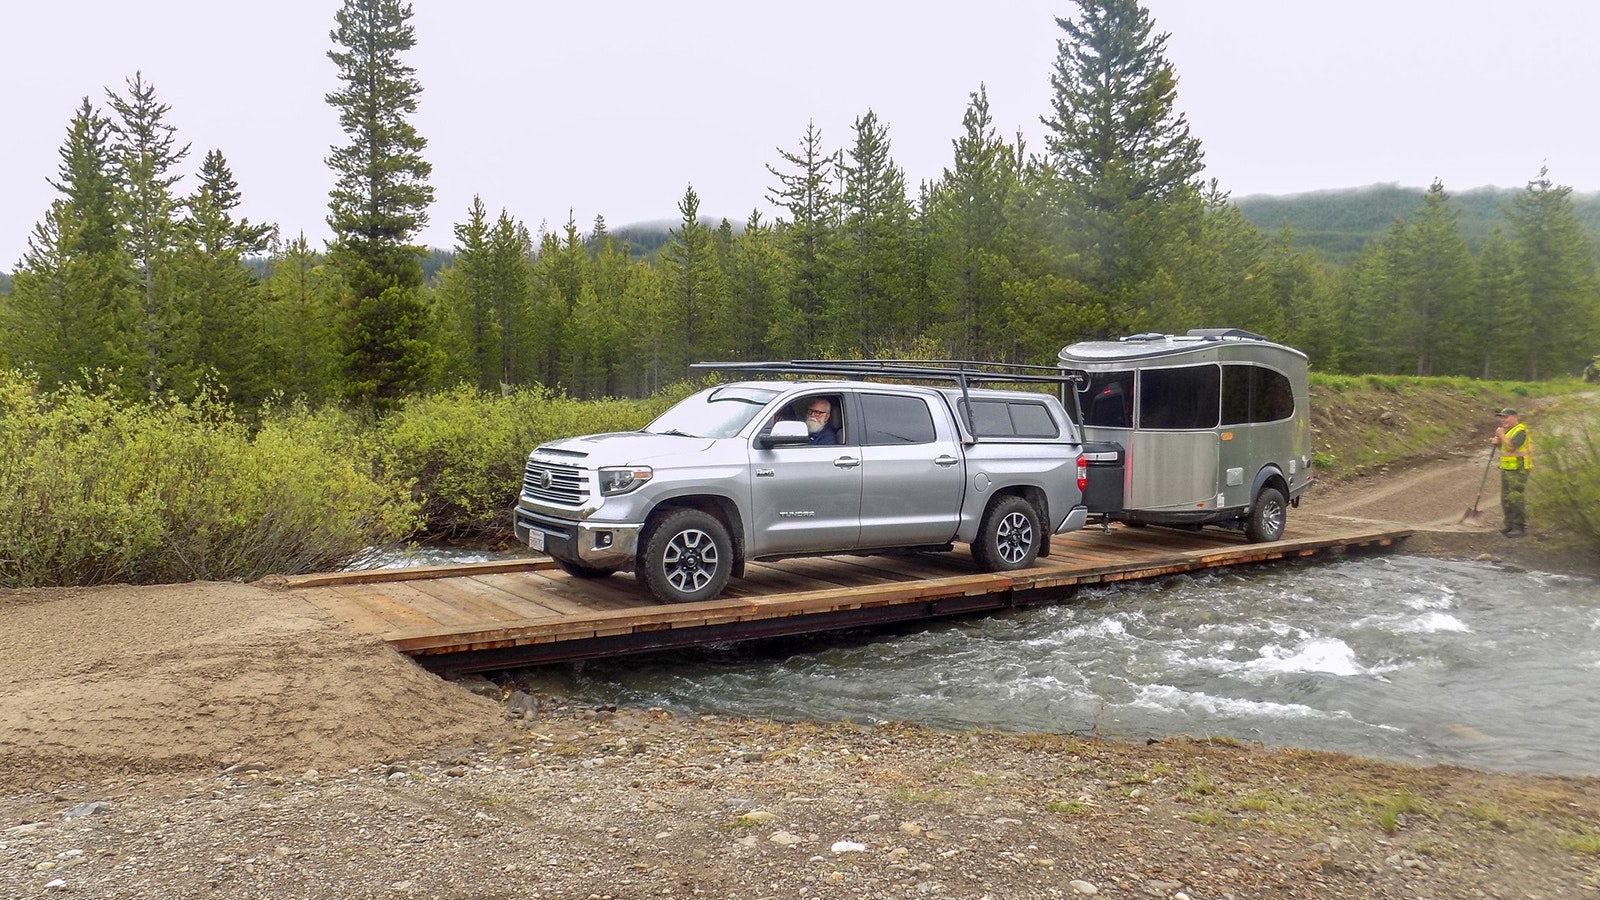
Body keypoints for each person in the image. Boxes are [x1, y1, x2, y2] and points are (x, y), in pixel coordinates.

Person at [1491, 408, 1532, 537]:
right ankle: (1509, 524)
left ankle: (1519, 527)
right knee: (1505, 497)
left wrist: (1501, 435)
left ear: (1515, 417)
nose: (1503, 420)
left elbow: (1511, 447)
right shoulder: (1509, 431)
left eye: (1506, 417)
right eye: (1502, 417)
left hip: (1519, 469)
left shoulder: (1520, 431)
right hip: (1508, 468)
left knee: (1515, 497)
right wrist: (1497, 443)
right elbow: (1505, 448)